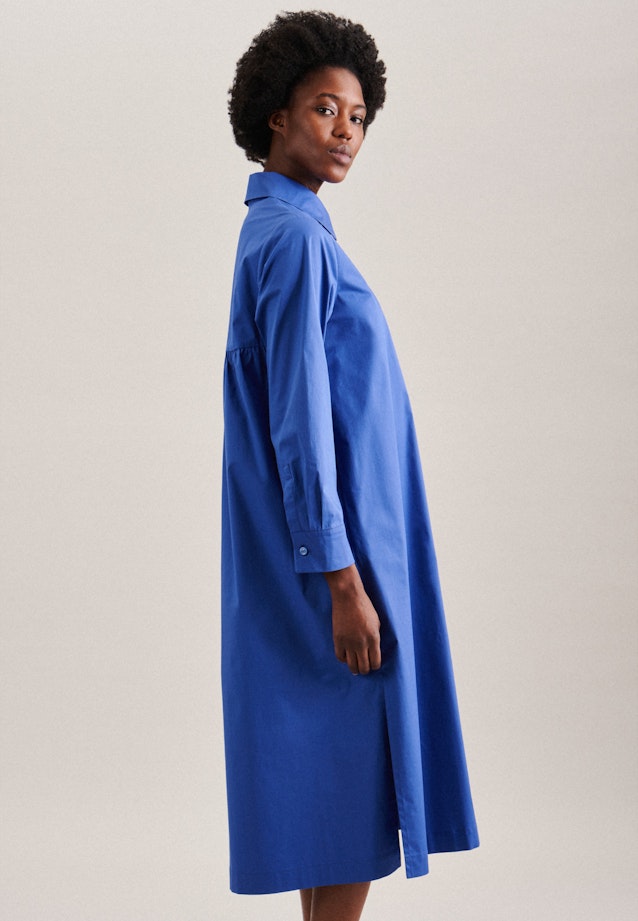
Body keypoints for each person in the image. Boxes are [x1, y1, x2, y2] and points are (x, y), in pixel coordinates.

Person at [222, 12, 479, 921]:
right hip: (335, 559)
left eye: (359, 116)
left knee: (329, 782)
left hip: (319, 550)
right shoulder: (295, 241)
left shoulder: (283, 229)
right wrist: (342, 580)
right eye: (324, 108)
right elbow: (297, 422)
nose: (345, 130)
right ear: (275, 115)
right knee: (351, 776)